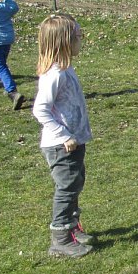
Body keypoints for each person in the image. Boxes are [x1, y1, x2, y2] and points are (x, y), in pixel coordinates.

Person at [32, 14, 94, 258]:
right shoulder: (54, 75)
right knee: (66, 189)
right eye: (78, 36)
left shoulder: (66, 69)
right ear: (64, 42)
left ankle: (72, 228)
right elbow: (40, 110)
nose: (81, 40)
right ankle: (60, 239)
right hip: (62, 146)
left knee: (75, 184)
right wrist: (64, 135)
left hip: (74, 142)